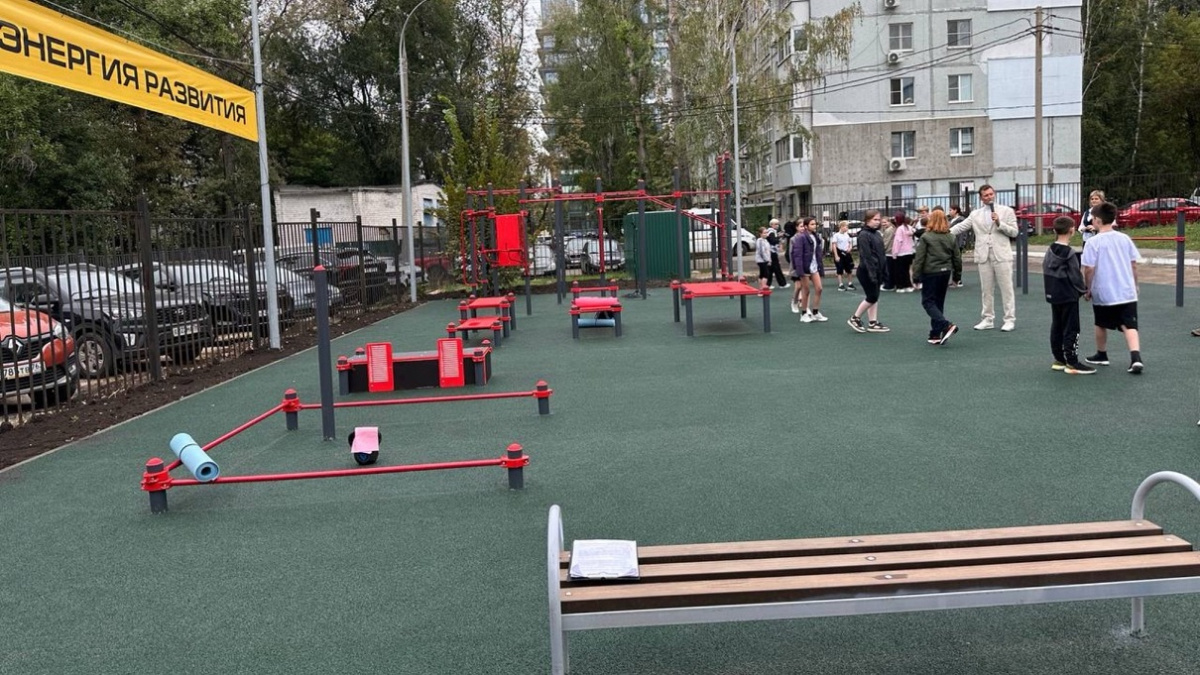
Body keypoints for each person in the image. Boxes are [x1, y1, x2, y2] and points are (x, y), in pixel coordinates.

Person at [1081, 201, 1144, 374]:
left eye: (1093, 218)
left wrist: (1088, 288)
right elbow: (1133, 264)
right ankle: (1136, 357)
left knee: (1100, 322)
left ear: (1097, 220)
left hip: (1104, 291)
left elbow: (1089, 269)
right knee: (1129, 325)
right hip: (1126, 291)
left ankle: (1102, 354)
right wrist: (1135, 284)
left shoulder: (1093, 242)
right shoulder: (1125, 238)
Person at [950, 184, 1019, 331]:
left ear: (994, 194)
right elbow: (961, 226)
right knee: (986, 289)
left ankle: (1009, 319)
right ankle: (987, 318)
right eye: (986, 195)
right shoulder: (975, 214)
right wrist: (944, 232)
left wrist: (1000, 223)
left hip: (1002, 254)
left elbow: (1014, 232)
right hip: (983, 254)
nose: (989, 197)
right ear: (981, 198)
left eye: (991, 194)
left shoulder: (1007, 211)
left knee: (1006, 288)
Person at [1042, 215, 1094, 374]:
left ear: (1054, 231)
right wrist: (1084, 290)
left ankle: (1059, 359)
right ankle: (1072, 361)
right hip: (1068, 295)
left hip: (1054, 294)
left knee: (1057, 325)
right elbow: (1075, 275)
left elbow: (1045, 268)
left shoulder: (1050, 249)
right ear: (1072, 230)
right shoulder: (1070, 253)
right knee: (1072, 328)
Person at [911, 209, 961, 345]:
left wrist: (915, 276)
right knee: (938, 303)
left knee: (927, 302)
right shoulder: (951, 237)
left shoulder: (926, 237)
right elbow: (957, 258)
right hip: (945, 272)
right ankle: (935, 334)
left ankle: (946, 325)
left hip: (931, 272)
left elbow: (919, 258)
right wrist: (957, 276)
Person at [847, 210, 890, 333]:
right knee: (872, 297)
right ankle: (855, 318)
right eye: (874, 219)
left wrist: (884, 270)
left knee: (875, 296)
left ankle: (873, 322)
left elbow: (881, 254)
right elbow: (867, 257)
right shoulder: (863, 235)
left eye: (878, 219)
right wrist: (872, 273)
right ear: (867, 220)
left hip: (877, 270)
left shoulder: (877, 234)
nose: (877, 222)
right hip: (866, 271)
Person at [790, 217, 827, 322]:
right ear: (806, 226)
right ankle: (804, 313)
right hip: (805, 267)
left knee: (819, 288)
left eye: (815, 224)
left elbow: (817, 252)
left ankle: (815, 312)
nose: (814, 226)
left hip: (814, 266)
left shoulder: (815, 236)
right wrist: (799, 270)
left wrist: (820, 266)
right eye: (812, 224)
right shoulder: (801, 238)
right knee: (806, 291)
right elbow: (797, 255)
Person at [888, 214, 916, 292]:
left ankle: (900, 287)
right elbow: (913, 233)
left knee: (899, 271)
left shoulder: (899, 229)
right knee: (906, 270)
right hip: (910, 252)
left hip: (901, 253)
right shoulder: (909, 227)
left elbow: (898, 242)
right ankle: (908, 286)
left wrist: (894, 253)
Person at [831, 221, 856, 291]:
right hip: (839, 253)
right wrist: (836, 255)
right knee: (839, 269)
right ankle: (840, 284)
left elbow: (850, 243)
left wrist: (850, 248)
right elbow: (834, 246)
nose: (847, 228)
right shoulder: (836, 235)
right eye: (846, 226)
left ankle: (850, 283)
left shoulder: (847, 235)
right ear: (841, 227)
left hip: (846, 253)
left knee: (849, 269)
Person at [948, 204, 967, 288]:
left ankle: (958, 280)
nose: (949, 212)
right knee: (952, 262)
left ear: (955, 210)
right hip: (951, 243)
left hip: (957, 244)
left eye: (950, 210)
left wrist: (962, 243)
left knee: (957, 262)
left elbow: (963, 233)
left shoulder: (961, 220)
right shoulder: (950, 220)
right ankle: (954, 280)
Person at [766, 219, 788, 289]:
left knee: (772, 268)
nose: (777, 225)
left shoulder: (772, 232)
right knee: (776, 268)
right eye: (776, 224)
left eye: (778, 224)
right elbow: (773, 241)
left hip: (772, 252)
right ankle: (782, 283)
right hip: (771, 252)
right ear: (771, 225)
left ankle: (768, 284)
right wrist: (779, 237)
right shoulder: (771, 232)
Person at [880, 214, 897, 291]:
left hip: (889, 251)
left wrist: (881, 250)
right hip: (891, 251)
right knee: (891, 269)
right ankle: (891, 283)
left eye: (885, 222)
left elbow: (886, 242)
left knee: (888, 269)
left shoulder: (889, 230)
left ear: (889, 222)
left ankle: (889, 285)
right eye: (882, 222)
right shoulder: (891, 228)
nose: (883, 224)